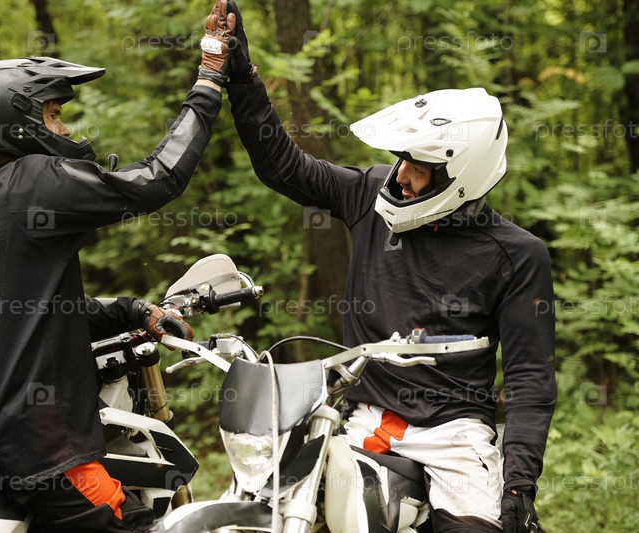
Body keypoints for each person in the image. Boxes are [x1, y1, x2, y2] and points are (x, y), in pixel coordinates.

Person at [221, 3, 556, 532]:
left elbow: (529, 378)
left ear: (461, 177)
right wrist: (242, 77)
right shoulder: (370, 195)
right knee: (285, 508)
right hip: (367, 419)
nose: (400, 176)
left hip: (454, 433)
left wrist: (519, 483)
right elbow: (282, 165)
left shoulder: (516, 255)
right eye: (402, 159)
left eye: (418, 168)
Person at [0, 2, 238, 531]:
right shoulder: (34, 181)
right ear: (16, 122)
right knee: (139, 524)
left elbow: (21, 312)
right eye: (53, 114)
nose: (63, 126)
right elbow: (158, 179)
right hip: (30, 447)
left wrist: (130, 311)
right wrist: (209, 78)